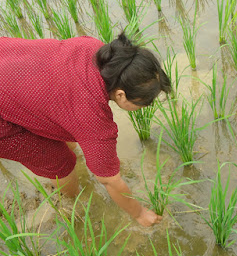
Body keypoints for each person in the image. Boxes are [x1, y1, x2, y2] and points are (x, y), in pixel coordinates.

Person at [0, 32, 171, 227]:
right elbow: (109, 181)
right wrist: (140, 214)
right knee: (60, 162)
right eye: (145, 102)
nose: (146, 106)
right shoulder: (93, 117)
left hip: (7, 58)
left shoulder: (93, 48)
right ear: (121, 95)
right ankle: (73, 204)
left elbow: (66, 104)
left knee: (61, 132)